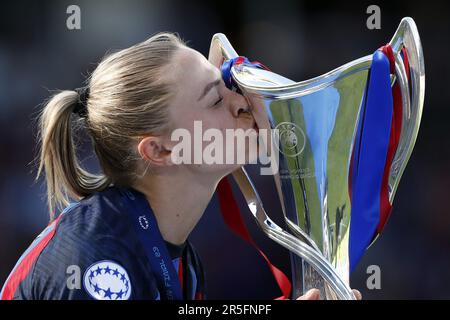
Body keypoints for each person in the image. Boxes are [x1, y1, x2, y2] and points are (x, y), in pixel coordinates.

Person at [0, 32, 360, 300]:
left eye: (228, 86)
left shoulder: (172, 254)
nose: (242, 103)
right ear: (159, 150)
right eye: (217, 98)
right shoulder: (97, 263)